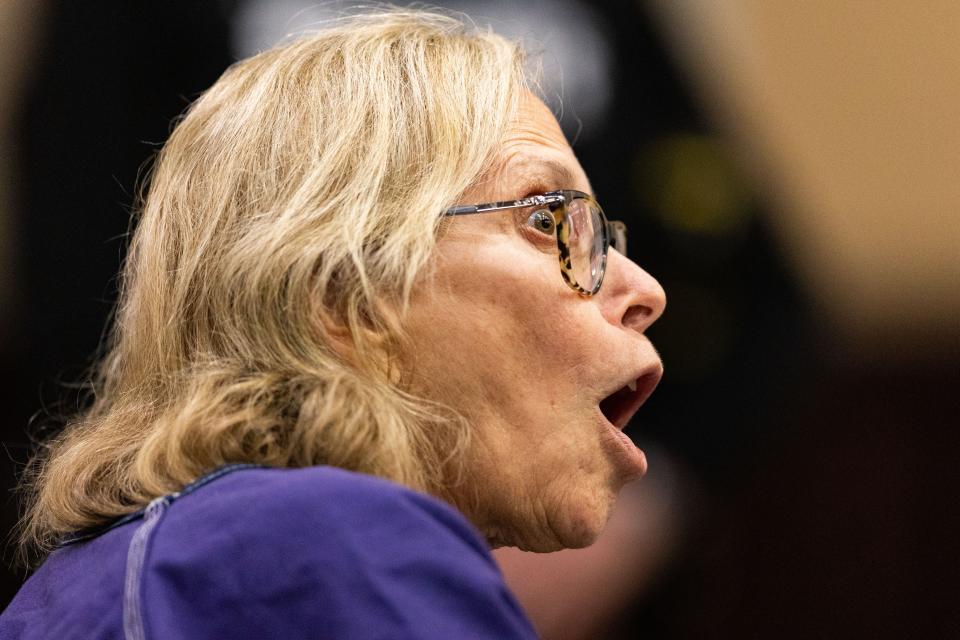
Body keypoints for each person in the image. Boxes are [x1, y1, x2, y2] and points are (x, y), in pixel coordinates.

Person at [1, 8, 665, 639]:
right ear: (345, 290)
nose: (647, 291)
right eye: (549, 220)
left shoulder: (118, 573)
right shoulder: (324, 541)